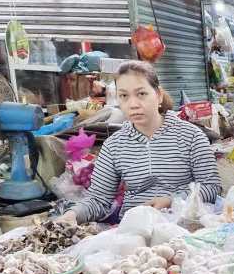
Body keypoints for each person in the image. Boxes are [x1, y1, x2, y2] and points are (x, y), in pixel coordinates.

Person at [58, 61, 222, 224]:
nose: (133, 104)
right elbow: (98, 199)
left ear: (158, 95)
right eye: (124, 96)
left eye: (141, 94)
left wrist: (171, 200)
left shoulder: (191, 136)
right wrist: (73, 214)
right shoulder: (114, 145)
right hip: (135, 229)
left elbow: (212, 188)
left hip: (185, 225)